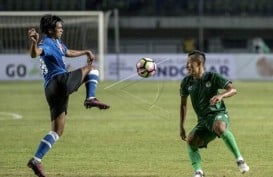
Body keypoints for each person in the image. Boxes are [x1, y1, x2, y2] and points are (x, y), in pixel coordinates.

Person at [27, 14, 110, 177]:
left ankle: (36, 160)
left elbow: (67, 52)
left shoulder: (57, 43)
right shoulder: (47, 43)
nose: (62, 30)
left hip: (50, 90)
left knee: (57, 131)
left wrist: (85, 51)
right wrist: (34, 42)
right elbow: (35, 53)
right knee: (91, 69)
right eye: (59, 28)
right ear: (50, 30)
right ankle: (91, 98)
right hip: (59, 81)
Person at [179, 50, 249, 177]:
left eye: (189, 63)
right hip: (203, 121)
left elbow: (233, 89)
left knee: (219, 127)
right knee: (191, 140)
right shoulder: (186, 82)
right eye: (186, 63)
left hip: (218, 114)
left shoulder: (212, 77)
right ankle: (198, 172)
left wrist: (221, 95)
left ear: (199, 63)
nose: (186, 66)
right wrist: (181, 126)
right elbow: (183, 104)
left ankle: (240, 160)